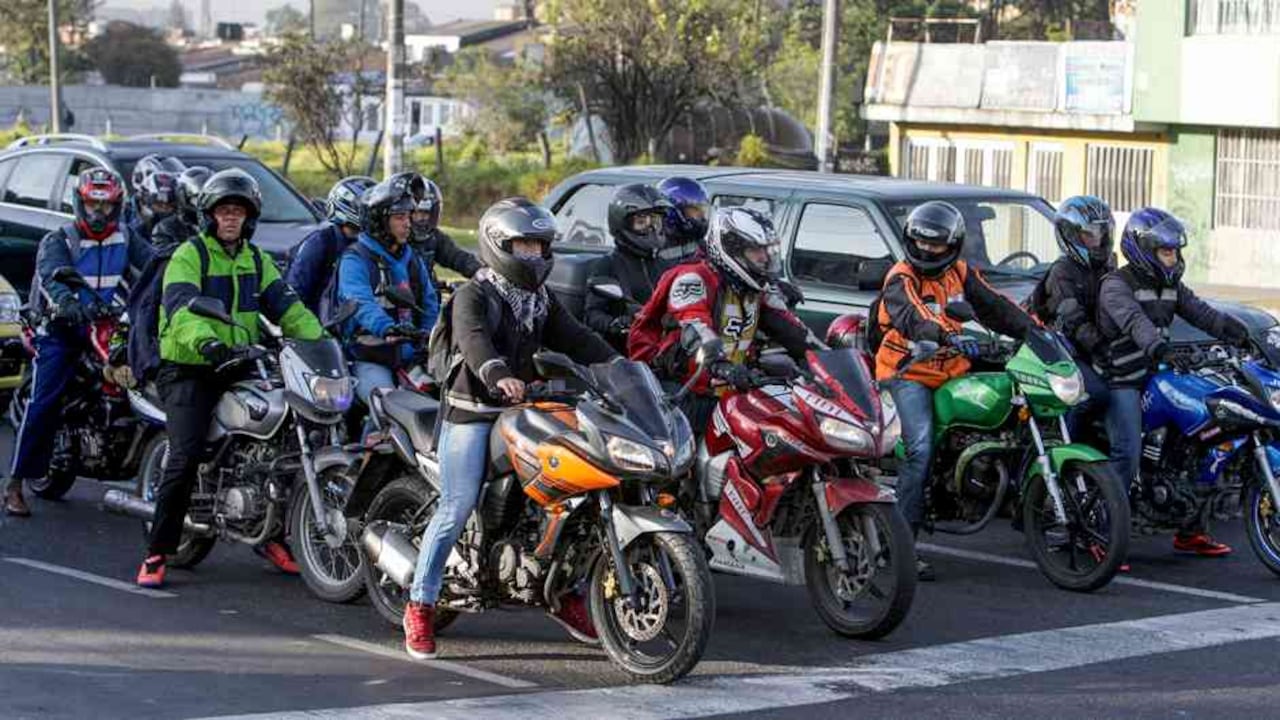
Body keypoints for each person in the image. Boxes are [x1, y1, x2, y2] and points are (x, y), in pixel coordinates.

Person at [402, 197, 616, 660]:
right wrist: (498, 375)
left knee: (564, 495)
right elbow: (474, 341)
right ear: (499, 245)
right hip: (472, 411)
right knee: (457, 506)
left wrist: (620, 366)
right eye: (524, 246)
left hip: (522, 410)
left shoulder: (539, 299)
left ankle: (561, 590)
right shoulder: (472, 294)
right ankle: (420, 603)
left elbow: (576, 336)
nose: (535, 256)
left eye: (540, 246)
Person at [136, 168, 325, 588]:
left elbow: (289, 308)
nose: (231, 218)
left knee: (285, 443)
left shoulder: (256, 260)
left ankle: (269, 534)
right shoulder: (190, 255)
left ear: (250, 217)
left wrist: (322, 342)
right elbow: (182, 308)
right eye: (224, 211)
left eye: (238, 211)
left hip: (240, 360)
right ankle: (156, 550)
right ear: (209, 215)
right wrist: (206, 343)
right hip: (191, 365)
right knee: (184, 456)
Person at [872, 201, 1033, 581]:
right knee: (920, 448)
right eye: (921, 242)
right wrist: (944, 335)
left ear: (954, 245)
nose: (927, 250)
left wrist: (1034, 330)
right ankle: (902, 549)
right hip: (906, 374)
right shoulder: (901, 277)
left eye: (936, 245)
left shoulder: (960, 272)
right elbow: (912, 316)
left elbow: (995, 306)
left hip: (950, 373)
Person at [1097, 207, 1250, 557]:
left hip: (1157, 376)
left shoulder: (1171, 287)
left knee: (1197, 438)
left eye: (1176, 252)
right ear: (1142, 250)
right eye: (1166, 251)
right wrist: (1158, 348)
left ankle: (1191, 529)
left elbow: (1203, 313)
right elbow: (1135, 323)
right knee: (1127, 452)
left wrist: (1237, 333)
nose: (1174, 258)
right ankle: (1103, 535)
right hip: (1123, 380)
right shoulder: (1116, 286)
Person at [4, 168, 152, 517]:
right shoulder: (60, 240)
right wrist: (67, 303)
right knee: (45, 399)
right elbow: (52, 277)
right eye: (91, 206)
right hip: (62, 326)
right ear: (79, 204)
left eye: (106, 207)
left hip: (108, 322)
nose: (99, 214)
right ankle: (14, 484)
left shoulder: (127, 237)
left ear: (118, 206)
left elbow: (153, 267)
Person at [629, 207, 818, 431]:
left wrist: (825, 357)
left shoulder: (755, 288)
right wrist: (720, 365)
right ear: (732, 249)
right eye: (756, 250)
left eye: (768, 250)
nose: (765, 258)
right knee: (689, 459)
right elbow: (694, 325)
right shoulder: (692, 278)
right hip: (681, 390)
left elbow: (792, 330)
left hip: (731, 389)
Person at [335, 173, 440, 409]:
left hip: (410, 357)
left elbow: (430, 302)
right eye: (399, 217)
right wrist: (386, 327)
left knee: (441, 400)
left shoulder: (411, 258)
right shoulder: (355, 259)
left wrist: (427, 336)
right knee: (386, 405)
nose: (408, 223)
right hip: (368, 358)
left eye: (409, 216)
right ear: (379, 221)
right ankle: (367, 444)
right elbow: (359, 302)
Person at [1028, 195, 1115, 433]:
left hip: (1092, 347)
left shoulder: (1108, 267)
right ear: (1070, 235)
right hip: (1063, 348)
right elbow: (1073, 319)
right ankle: (1065, 444)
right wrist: (1102, 349)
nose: (1097, 241)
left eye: (1101, 233)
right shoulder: (1062, 272)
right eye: (1089, 235)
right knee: (1092, 394)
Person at [128, 166, 213, 386]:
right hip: (175, 303)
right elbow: (168, 269)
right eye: (200, 198)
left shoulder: (216, 229)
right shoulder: (166, 229)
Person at [584, 183, 674, 351]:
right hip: (626, 355)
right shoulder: (608, 264)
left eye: (655, 221)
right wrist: (617, 323)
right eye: (642, 221)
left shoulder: (664, 265)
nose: (652, 228)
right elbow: (592, 316)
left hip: (662, 350)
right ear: (621, 222)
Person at [285, 175, 376, 316]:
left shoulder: (373, 242)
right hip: (322, 326)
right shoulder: (320, 242)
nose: (371, 213)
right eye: (364, 207)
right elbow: (296, 293)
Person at [404, 173, 482, 288]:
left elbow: (458, 258)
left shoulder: (434, 238)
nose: (421, 218)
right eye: (416, 212)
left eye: (426, 213)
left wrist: (483, 272)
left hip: (426, 299)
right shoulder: (394, 240)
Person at [656, 176, 711, 261]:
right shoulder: (656, 250)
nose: (702, 214)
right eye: (695, 209)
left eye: (702, 208)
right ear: (672, 212)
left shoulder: (702, 242)